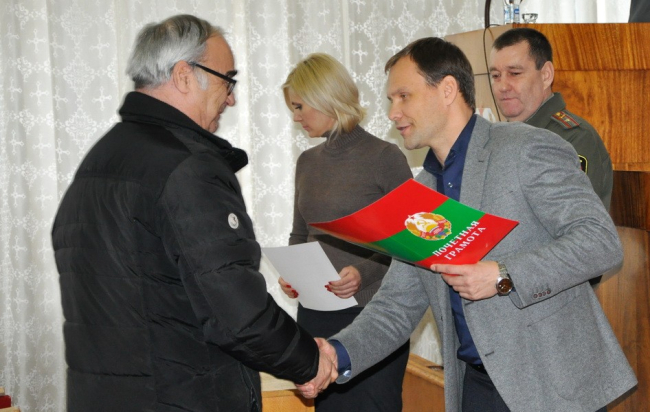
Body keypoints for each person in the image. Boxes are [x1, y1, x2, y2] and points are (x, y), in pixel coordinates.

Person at [299, 37, 637, 411]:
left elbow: (599, 241)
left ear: (447, 90)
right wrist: (336, 353)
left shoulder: (526, 148)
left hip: (553, 388)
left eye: (403, 96)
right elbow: (396, 305)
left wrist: (502, 275)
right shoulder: (420, 193)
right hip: (475, 388)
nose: (393, 113)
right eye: (391, 100)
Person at [51, 14, 335, 412]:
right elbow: (235, 310)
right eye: (227, 80)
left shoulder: (98, 162)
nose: (231, 98)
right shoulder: (186, 168)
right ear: (184, 75)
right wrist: (308, 361)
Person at [279, 53, 412, 411]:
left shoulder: (385, 158)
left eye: (299, 106)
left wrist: (363, 272)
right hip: (315, 314)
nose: (296, 117)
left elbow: (411, 242)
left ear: (326, 98)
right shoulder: (307, 162)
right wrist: (292, 274)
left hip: (372, 317)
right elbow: (300, 233)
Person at [489, 27, 613, 211]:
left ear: (546, 75)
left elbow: (571, 216)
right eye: (496, 76)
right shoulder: (495, 138)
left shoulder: (573, 139)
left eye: (514, 73)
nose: (503, 86)